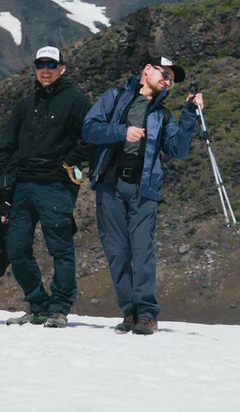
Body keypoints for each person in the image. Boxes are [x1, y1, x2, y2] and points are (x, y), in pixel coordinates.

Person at [82, 55, 202, 335]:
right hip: (109, 185)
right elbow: (89, 129)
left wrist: (189, 114)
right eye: (164, 74)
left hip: (142, 188)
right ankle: (129, 312)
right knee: (116, 251)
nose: (167, 80)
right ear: (147, 70)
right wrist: (122, 131)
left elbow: (178, 150)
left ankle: (147, 313)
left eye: (171, 79)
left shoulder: (163, 115)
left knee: (141, 249)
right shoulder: (114, 97)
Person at [0, 46, 93, 328]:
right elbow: (6, 145)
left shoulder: (76, 101)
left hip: (56, 186)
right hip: (22, 185)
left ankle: (59, 306)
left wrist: (71, 162)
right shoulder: (25, 104)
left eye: (51, 64)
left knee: (60, 247)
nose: (45, 70)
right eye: (40, 64)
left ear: (62, 68)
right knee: (16, 245)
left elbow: (92, 138)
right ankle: (37, 304)